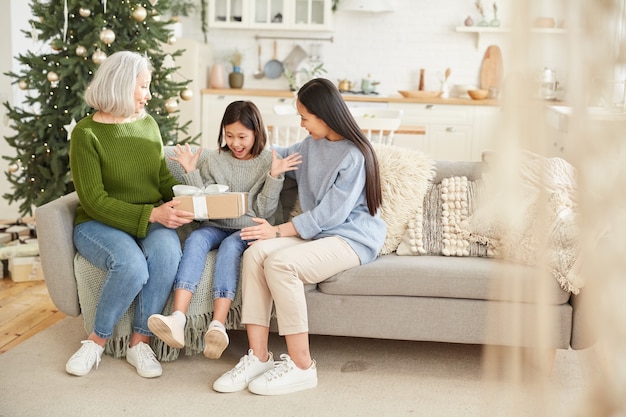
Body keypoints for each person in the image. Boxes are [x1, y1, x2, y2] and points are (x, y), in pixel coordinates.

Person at [212, 78, 387, 395]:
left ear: (324, 116)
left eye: (304, 117)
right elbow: (274, 155)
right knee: (255, 252)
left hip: (351, 237)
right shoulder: (310, 146)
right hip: (319, 237)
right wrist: (236, 146)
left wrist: (276, 230)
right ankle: (259, 357)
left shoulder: (354, 156)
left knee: (280, 264)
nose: (302, 124)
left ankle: (302, 365)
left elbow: (328, 216)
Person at [66, 51, 194, 378]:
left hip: (149, 218)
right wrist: (152, 215)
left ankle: (140, 344)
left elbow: (161, 178)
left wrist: (187, 200)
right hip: (98, 223)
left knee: (167, 255)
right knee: (131, 266)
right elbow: (94, 200)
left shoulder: (148, 123)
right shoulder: (86, 133)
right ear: (122, 86)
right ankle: (96, 341)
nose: (149, 95)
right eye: (143, 87)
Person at [147, 101, 302, 359]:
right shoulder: (217, 160)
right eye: (229, 136)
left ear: (256, 132)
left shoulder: (268, 161)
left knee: (231, 247)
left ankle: (217, 325)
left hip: (248, 230)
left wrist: (275, 177)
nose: (235, 143)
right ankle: (177, 318)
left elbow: (262, 212)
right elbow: (202, 205)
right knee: (196, 238)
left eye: (242, 136)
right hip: (214, 225)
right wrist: (191, 172)